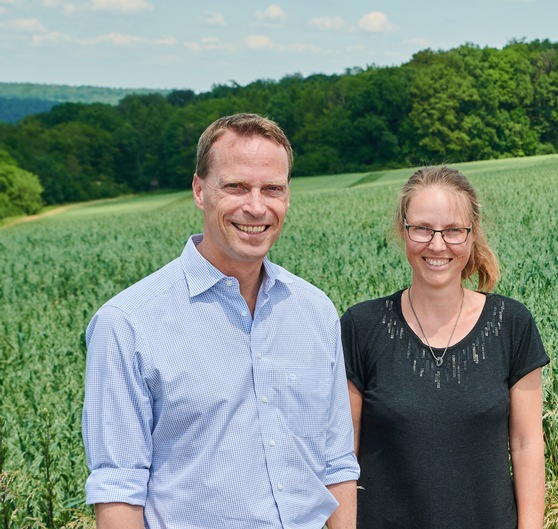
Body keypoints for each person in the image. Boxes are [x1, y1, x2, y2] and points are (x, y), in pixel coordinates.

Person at [82, 113, 359, 528]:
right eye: (235, 187)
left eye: (272, 189)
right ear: (199, 190)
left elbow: (336, 462)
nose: (256, 206)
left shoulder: (315, 310)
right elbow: (119, 490)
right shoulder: (127, 324)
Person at [340, 166, 549, 529]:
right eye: (422, 228)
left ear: (472, 235)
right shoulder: (361, 327)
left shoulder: (511, 324)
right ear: (402, 230)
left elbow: (527, 442)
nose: (437, 245)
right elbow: (341, 452)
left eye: (453, 230)